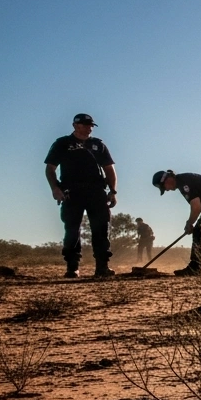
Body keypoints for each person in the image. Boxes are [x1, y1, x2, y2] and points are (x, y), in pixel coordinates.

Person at [44, 113, 118, 278]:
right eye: (85, 125)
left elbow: (109, 169)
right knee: (71, 230)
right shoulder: (62, 143)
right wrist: (55, 188)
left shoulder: (98, 145)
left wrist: (112, 191)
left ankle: (102, 267)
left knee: (101, 229)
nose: (89, 128)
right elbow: (50, 168)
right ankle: (72, 267)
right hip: (71, 192)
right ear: (75, 126)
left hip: (96, 191)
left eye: (91, 125)